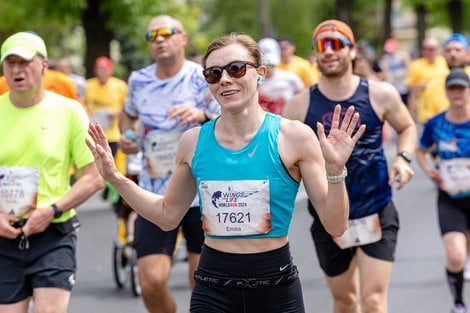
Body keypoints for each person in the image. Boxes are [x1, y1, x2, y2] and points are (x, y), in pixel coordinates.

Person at [87, 33, 365, 313]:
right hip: (213, 286)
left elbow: (335, 225)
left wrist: (336, 171)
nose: (225, 80)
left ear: (261, 74)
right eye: (213, 73)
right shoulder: (193, 141)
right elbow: (167, 216)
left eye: (236, 69)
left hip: (275, 285)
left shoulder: (293, 137)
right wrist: (115, 178)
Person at [283, 19, 417, 313]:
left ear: (352, 51)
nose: (328, 51)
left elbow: (407, 127)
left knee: (372, 301)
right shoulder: (299, 105)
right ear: (315, 55)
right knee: (346, 303)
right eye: (321, 45)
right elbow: (285, 159)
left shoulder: (380, 93)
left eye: (336, 44)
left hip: (376, 209)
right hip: (328, 216)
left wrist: (403, 158)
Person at [118, 15, 220, 313]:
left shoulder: (202, 77)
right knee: (150, 281)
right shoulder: (139, 80)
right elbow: (128, 115)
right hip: (155, 193)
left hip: (201, 193)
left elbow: (230, 119)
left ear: (183, 38)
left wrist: (200, 115)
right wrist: (127, 137)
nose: (159, 39)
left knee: (201, 283)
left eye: (166, 33)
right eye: (152, 36)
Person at [0, 32, 103, 312]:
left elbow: (93, 178)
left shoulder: (69, 112)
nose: (17, 70)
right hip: (4, 235)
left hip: (53, 232)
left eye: (24, 62)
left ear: (44, 66)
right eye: (10, 63)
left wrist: (53, 209)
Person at [416, 68, 470, 313]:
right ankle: (458, 303)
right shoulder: (436, 123)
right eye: (452, 88)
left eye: (461, 88)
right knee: (456, 255)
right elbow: (420, 150)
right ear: (447, 91)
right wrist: (430, 172)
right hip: (450, 198)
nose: (457, 93)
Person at [422, 33, 470, 124]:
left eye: (458, 50)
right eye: (448, 50)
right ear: (443, 54)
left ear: (467, 53)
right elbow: (428, 118)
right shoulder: (433, 85)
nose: (453, 54)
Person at [85, 56, 127, 156]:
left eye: (105, 70)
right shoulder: (88, 85)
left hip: (113, 135)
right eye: (99, 70)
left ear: (111, 70)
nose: (102, 73)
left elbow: (128, 108)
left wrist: (116, 113)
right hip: (94, 134)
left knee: (111, 164)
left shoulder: (120, 86)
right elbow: (84, 105)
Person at [406, 37, 448, 123]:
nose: (428, 52)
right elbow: (408, 87)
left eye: (432, 49)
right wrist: (419, 86)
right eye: (425, 49)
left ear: (438, 49)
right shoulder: (415, 65)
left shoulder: (443, 61)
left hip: (444, 110)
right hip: (426, 113)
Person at [257, 37, 303, 115]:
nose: (268, 68)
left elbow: (302, 98)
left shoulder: (291, 78)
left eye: (271, 65)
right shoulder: (254, 81)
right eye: (265, 65)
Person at [379, 38, 410, 106]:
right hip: (392, 87)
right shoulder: (385, 59)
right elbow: (384, 73)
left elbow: (409, 69)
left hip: (402, 88)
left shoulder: (402, 56)